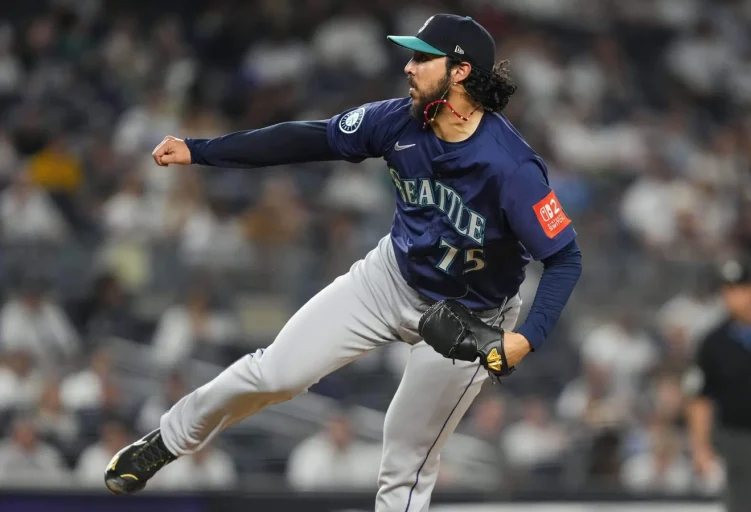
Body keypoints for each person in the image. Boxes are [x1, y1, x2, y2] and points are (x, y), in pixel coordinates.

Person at [104, 14, 582, 510]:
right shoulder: (397, 120)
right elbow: (306, 138)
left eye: (422, 58)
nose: (408, 67)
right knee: (276, 374)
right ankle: (167, 440)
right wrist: (200, 151)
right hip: (390, 280)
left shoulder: (511, 167)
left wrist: (524, 340)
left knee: (406, 458)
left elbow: (565, 257)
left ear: (460, 71)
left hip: (475, 315)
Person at [685, 259, 751, 512]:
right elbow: (701, 397)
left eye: (740, 288)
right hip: (738, 439)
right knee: (744, 506)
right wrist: (700, 447)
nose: (733, 297)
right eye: (728, 290)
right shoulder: (713, 342)